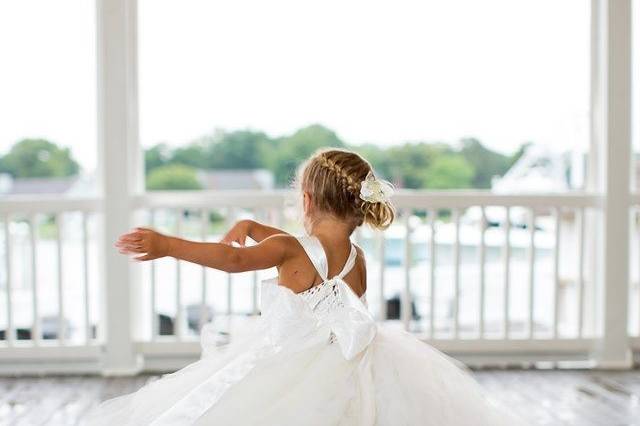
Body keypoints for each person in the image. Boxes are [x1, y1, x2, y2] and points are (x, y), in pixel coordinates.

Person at [84, 148, 525, 425]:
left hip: (287, 362)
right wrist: (257, 227)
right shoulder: (358, 259)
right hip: (348, 364)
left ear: (307, 201)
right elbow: (312, 259)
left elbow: (234, 258)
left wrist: (168, 245)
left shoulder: (288, 249)